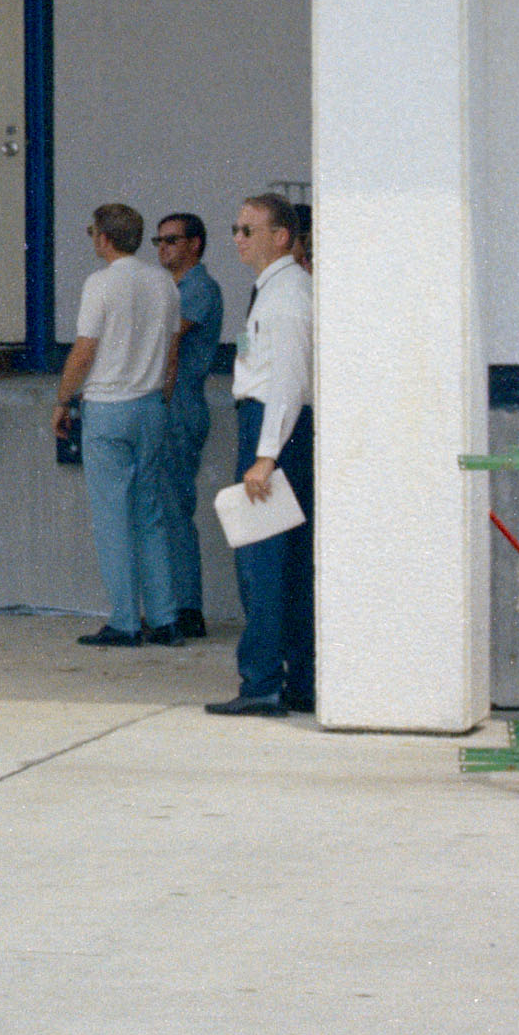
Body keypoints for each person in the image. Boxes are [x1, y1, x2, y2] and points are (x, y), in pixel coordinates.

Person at [207, 190, 315, 719]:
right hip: (263, 422)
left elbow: (288, 382)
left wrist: (266, 454)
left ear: (281, 237)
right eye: (236, 228)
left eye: (249, 230)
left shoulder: (289, 296)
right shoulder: (267, 292)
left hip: (275, 429)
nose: (237, 238)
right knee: (280, 562)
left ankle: (264, 681)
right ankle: (297, 679)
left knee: (264, 562)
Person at [52, 203, 180, 645]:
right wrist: (161, 394)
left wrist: (62, 400)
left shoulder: (100, 284)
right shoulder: (163, 281)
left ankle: (125, 620)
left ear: (104, 237)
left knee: (112, 518)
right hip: (151, 405)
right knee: (150, 514)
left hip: (109, 406)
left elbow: (84, 350)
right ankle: (165, 618)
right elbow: (171, 348)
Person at [152, 212, 226, 641]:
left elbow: (167, 335)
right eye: (158, 241)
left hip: (180, 405)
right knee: (162, 508)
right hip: (167, 405)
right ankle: (172, 603)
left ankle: (185, 605)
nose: (163, 249)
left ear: (194, 245)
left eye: (172, 241)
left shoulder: (198, 288)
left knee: (173, 507)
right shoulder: (173, 288)